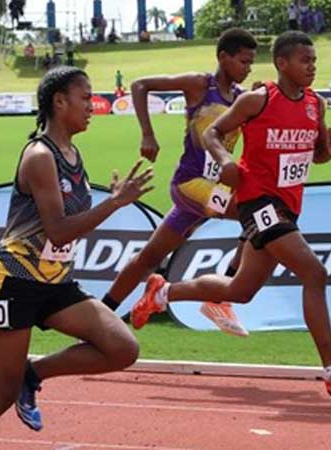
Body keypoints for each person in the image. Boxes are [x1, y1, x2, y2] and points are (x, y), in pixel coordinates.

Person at [131, 31, 331, 397]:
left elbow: (317, 155)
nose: (312, 67)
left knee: (241, 290)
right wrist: (225, 161)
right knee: (314, 272)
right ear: (282, 63)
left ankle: (162, 292)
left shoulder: (316, 104)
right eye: (305, 60)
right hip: (258, 201)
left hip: (288, 205)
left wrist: (330, 150)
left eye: (314, 60)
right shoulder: (258, 100)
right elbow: (213, 132)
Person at [0, 66, 153, 449]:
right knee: (0, 394)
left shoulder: (73, 153)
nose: (92, 106)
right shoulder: (40, 156)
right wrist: (114, 204)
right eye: (85, 98)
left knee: (123, 348)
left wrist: (111, 202)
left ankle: (33, 374)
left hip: (55, 283)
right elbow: (58, 230)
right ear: (59, 101)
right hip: (14, 283)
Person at [104, 28, 258, 337]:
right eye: (243, 61)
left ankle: (102, 314)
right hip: (190, 184)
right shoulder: (200, 84)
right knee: (254, 214)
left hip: (214, 189)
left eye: (251, 63)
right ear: (223, 57)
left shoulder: (242, 98)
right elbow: (140, 85)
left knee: (149, 258)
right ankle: (218, 300)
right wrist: (147, 134)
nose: (248, 68)